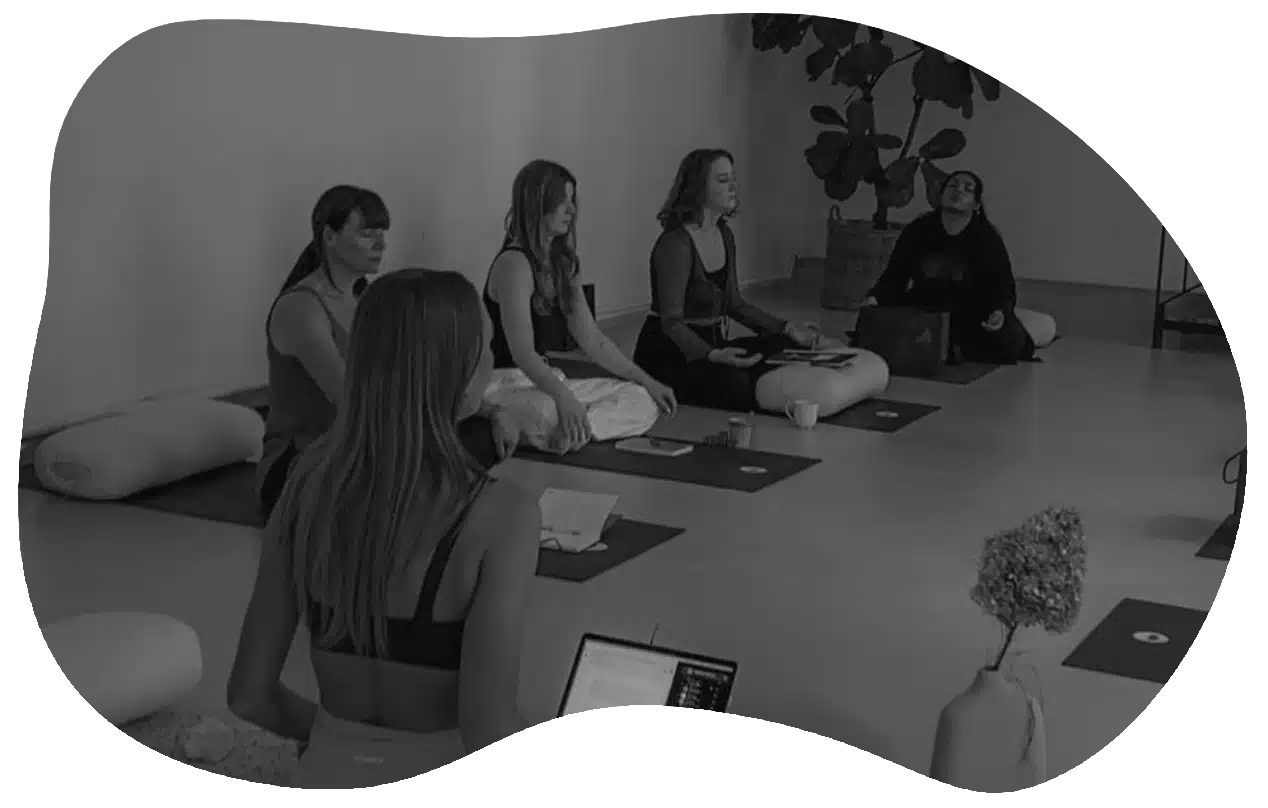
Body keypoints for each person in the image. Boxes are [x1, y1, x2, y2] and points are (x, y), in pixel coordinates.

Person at [228, 269, 540, 790]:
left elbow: (248, 695)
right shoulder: (502, 515)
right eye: (485, 348)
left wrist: (342, 743)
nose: (491, 362)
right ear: (460, 375)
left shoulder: (304, 489)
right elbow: (488, 730)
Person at [258, 185, 521, 519]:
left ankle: (414, 492)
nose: (381, 244)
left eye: (382, 234)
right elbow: (356, 404)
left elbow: (407, 380)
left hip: (369, 447)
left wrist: (489, 410)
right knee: (445, 448)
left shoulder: (369, 299)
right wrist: (478, 371)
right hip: (306, 463)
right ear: (329, 236)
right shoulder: (301, 308)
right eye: (367, 234)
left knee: (480, 435)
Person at [483, 159, 678, 453]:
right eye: (563, 203)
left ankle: (574, 431)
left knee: (641, 398)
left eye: (572, 201)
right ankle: (568, 427)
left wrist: (649, 381)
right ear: (539, 204)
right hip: (506, 385)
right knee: (546, 411)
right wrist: (563, 398)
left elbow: (595, 342)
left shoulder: (564, 264)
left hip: (548, 381)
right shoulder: (514, 264)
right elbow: (522, 353)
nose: (572, 212)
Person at [631, 148, 821, 412]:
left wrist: (788, 328)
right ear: (698, 188)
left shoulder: (724, 233)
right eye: (722, 180)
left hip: (714, 346)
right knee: (736, 385)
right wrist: (715, 355)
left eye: (733, 178)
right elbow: (671, 323)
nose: (733, 186)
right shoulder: (675, 244)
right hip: (671, 354)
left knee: (784, 345)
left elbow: (734, 303)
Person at [862, 170, 1036, 363]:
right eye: (952, 186)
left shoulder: (987, 238)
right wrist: (877, 297)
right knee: (876, 329)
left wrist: (999, 312)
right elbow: (896, 274)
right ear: (940, 196)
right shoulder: (919, 229)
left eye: (967, 189)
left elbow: (1003, 286)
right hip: (927, 306)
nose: (958, 191)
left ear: (976, 204)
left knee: (1009, 341)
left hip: (973, 310)